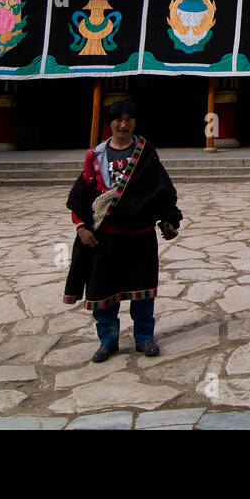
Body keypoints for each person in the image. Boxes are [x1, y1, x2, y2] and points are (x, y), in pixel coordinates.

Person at [63, 99, 183, 363]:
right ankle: (108, 340)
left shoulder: (145, 153)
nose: (123, 124)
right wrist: (81, 227)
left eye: (129, 119)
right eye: (118, 119)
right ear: (110, 123)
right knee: (103, 292)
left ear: (135, 123)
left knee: (143, 291)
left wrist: (168, 220)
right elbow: (80, 197)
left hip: (140, 235)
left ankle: (144, 338)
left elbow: (161, 190)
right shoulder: (95, 157)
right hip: (105, 237)